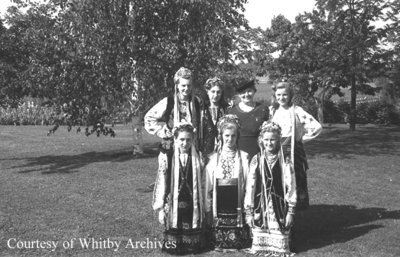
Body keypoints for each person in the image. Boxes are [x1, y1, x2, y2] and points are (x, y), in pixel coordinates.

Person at [144, 67, 203, 191]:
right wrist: (163, 132)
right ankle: (167, 208)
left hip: (191, 149)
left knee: (191, 183)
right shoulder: (169, 102)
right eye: (183, 85)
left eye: (189, 85)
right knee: (169, 183)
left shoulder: (196, 102)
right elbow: (149, 118)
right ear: (177, 85)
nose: (186, 89)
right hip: (170, 148)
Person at [244, 121, 296, 256]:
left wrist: (290, 210)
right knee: (260, 222)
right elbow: (251, 185)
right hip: (260, 203)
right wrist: (249, 210)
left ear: (278, 140)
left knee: (279, 225)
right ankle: (261, 247)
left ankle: (278, 249)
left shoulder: (285, 160)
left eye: (272, 139)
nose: (269, 143)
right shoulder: (257, 159)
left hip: (278, 203)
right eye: (266, 139)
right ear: (261, 140)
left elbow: (291, 185)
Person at [152, 122, 205, 254]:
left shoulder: (198, 157)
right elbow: (162, 181)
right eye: (181, 139)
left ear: (193, 139)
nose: (184, 143)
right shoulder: (167, 157)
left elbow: (203, 182)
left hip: (192, 201)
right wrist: (160, 207)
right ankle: (173, 243)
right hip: (173, 202)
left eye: (188, 140)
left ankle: (191, 244)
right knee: (175, 221)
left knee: (189, 221)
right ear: (175, 139)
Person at [270, 81, 322, 210]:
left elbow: (316, 127)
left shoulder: (296, 110)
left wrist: (300, 139)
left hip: (293, 151)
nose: (281, 98)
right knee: (278, 180)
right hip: (276, 150)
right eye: (279, 95)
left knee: (293, 180)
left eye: (285, 95)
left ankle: (292, 210)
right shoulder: (273, 111)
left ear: (290, 95)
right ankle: (278, 207)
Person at [204, 114, 251, 252]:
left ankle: (237, 240)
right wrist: (207, 208)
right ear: (221, 136)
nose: (230, 139)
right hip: (219, 206)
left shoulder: (243, 157)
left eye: (233, 136)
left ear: (237, 137)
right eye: (227, 136)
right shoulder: (213, 158)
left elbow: (248, 184)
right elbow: (207, 185)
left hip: (237, 204)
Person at [227, 79, 269, 159]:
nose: (246, 94)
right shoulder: (232, 111)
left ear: (254, 91)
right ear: (238, 94)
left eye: (249, 91)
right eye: (243, 92)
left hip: (258, 153)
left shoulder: (263, 109)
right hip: (238, 154)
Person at [201, 77, 229, 157]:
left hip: (222, 151)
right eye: (213, 92)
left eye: (218, 92)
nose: (215, 95)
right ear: (207, 91)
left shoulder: (225, 110)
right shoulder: (202, 109)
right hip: (204, 150)